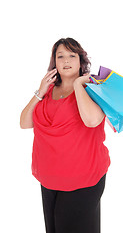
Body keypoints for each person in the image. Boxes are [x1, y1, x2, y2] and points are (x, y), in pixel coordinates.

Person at [20, 37, 111, 233]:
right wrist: (40, 91)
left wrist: (78, 84)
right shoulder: (48, 91)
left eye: (72, 55)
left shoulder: (93, 88)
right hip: (49, 178)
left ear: (81, 61)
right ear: (54, 62)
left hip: (83, 179)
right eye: (60, 56)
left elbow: (92, 121)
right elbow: (24, 123)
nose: (66, 61)